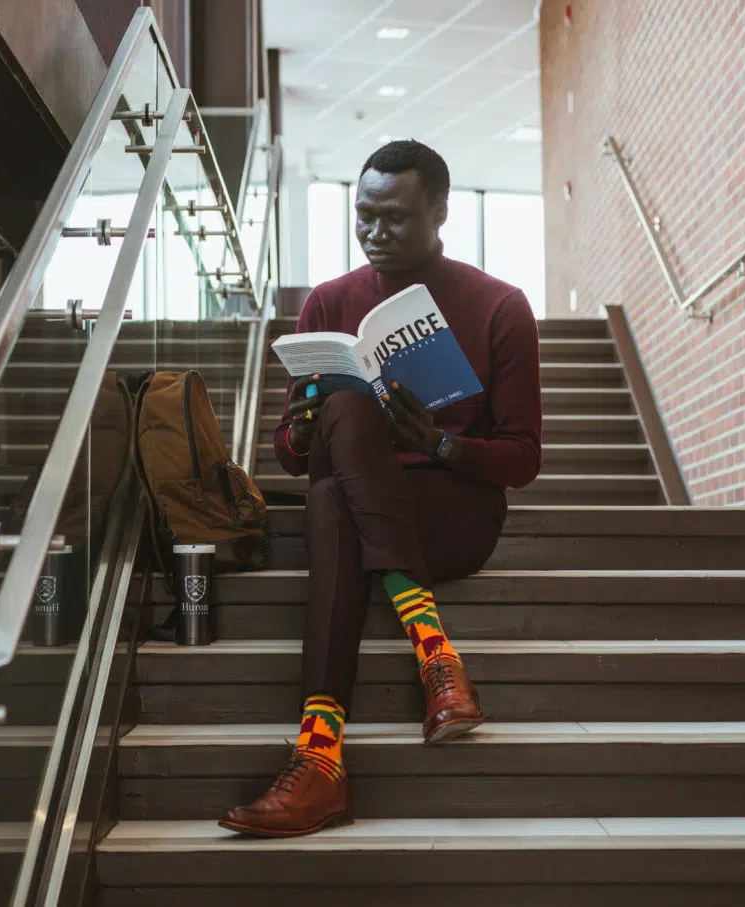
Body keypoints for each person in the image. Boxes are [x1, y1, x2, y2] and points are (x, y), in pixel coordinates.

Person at [219, 140, 543, 837]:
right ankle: (433, 659)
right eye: (363, 215)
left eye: (394, 217)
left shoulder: (500, 306)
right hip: (356, 507)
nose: (373, 232)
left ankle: (320, 761)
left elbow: (522, 457)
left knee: (335, 499)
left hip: (453, 513)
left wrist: (439, 442)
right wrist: (305, 429)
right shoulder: (329, 302)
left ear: (440, 211)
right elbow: (285, 452)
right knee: (336, 462)